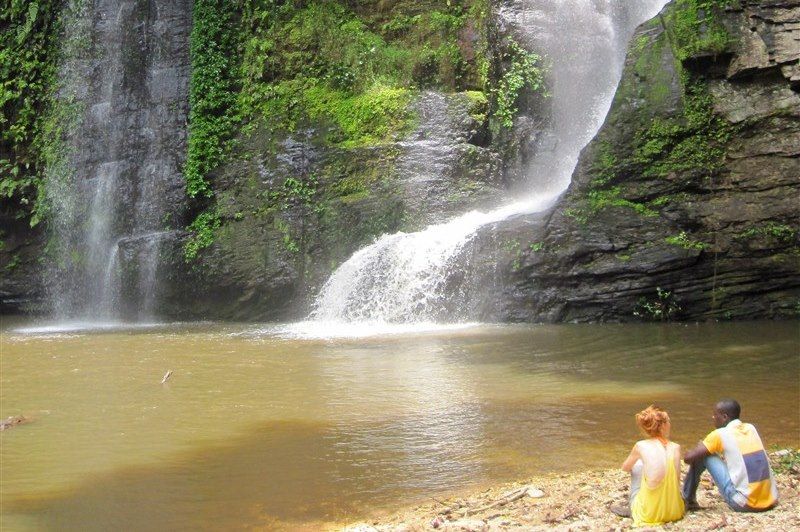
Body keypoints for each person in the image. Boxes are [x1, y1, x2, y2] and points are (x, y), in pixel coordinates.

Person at [682, 399, 778, 512]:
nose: (713, 418)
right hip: (771, 499)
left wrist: (700, 446)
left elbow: (688, 459)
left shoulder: (720, 434)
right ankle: (689, 499)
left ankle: (688, 500)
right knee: (705, 451)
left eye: (715, 415)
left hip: (745, 503)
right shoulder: (751, 428)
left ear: (724, 417)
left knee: (702, 455)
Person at [614, 405, 685, 526]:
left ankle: (633, 507)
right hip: (675, 512)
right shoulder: (676, 447)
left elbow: (625, 468)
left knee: (637, 465)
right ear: (662, 426)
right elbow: (677, 480)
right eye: (668, 421)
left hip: (648, 515)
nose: (669, 424)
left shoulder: (640, 446)